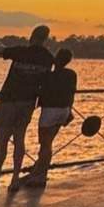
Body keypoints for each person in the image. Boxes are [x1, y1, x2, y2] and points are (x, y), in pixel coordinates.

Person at [0, 25, 54, 195]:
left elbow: (1, 51)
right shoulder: (47, 57)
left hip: (10, 100)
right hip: (28, 102)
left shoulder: (20, 51)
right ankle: (14, 180)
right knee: (20, 139)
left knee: (2, 139)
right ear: (46, 39)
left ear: (32, 36)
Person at [27, 48, 77, 189]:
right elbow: (72, 94)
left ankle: (40, 174)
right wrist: (70, 110)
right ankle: (39, 168)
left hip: (50, 110)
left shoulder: (48, 75)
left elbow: (40, 91)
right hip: (63, 110)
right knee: (48, 142)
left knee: (45, 144)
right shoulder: (71, 74)